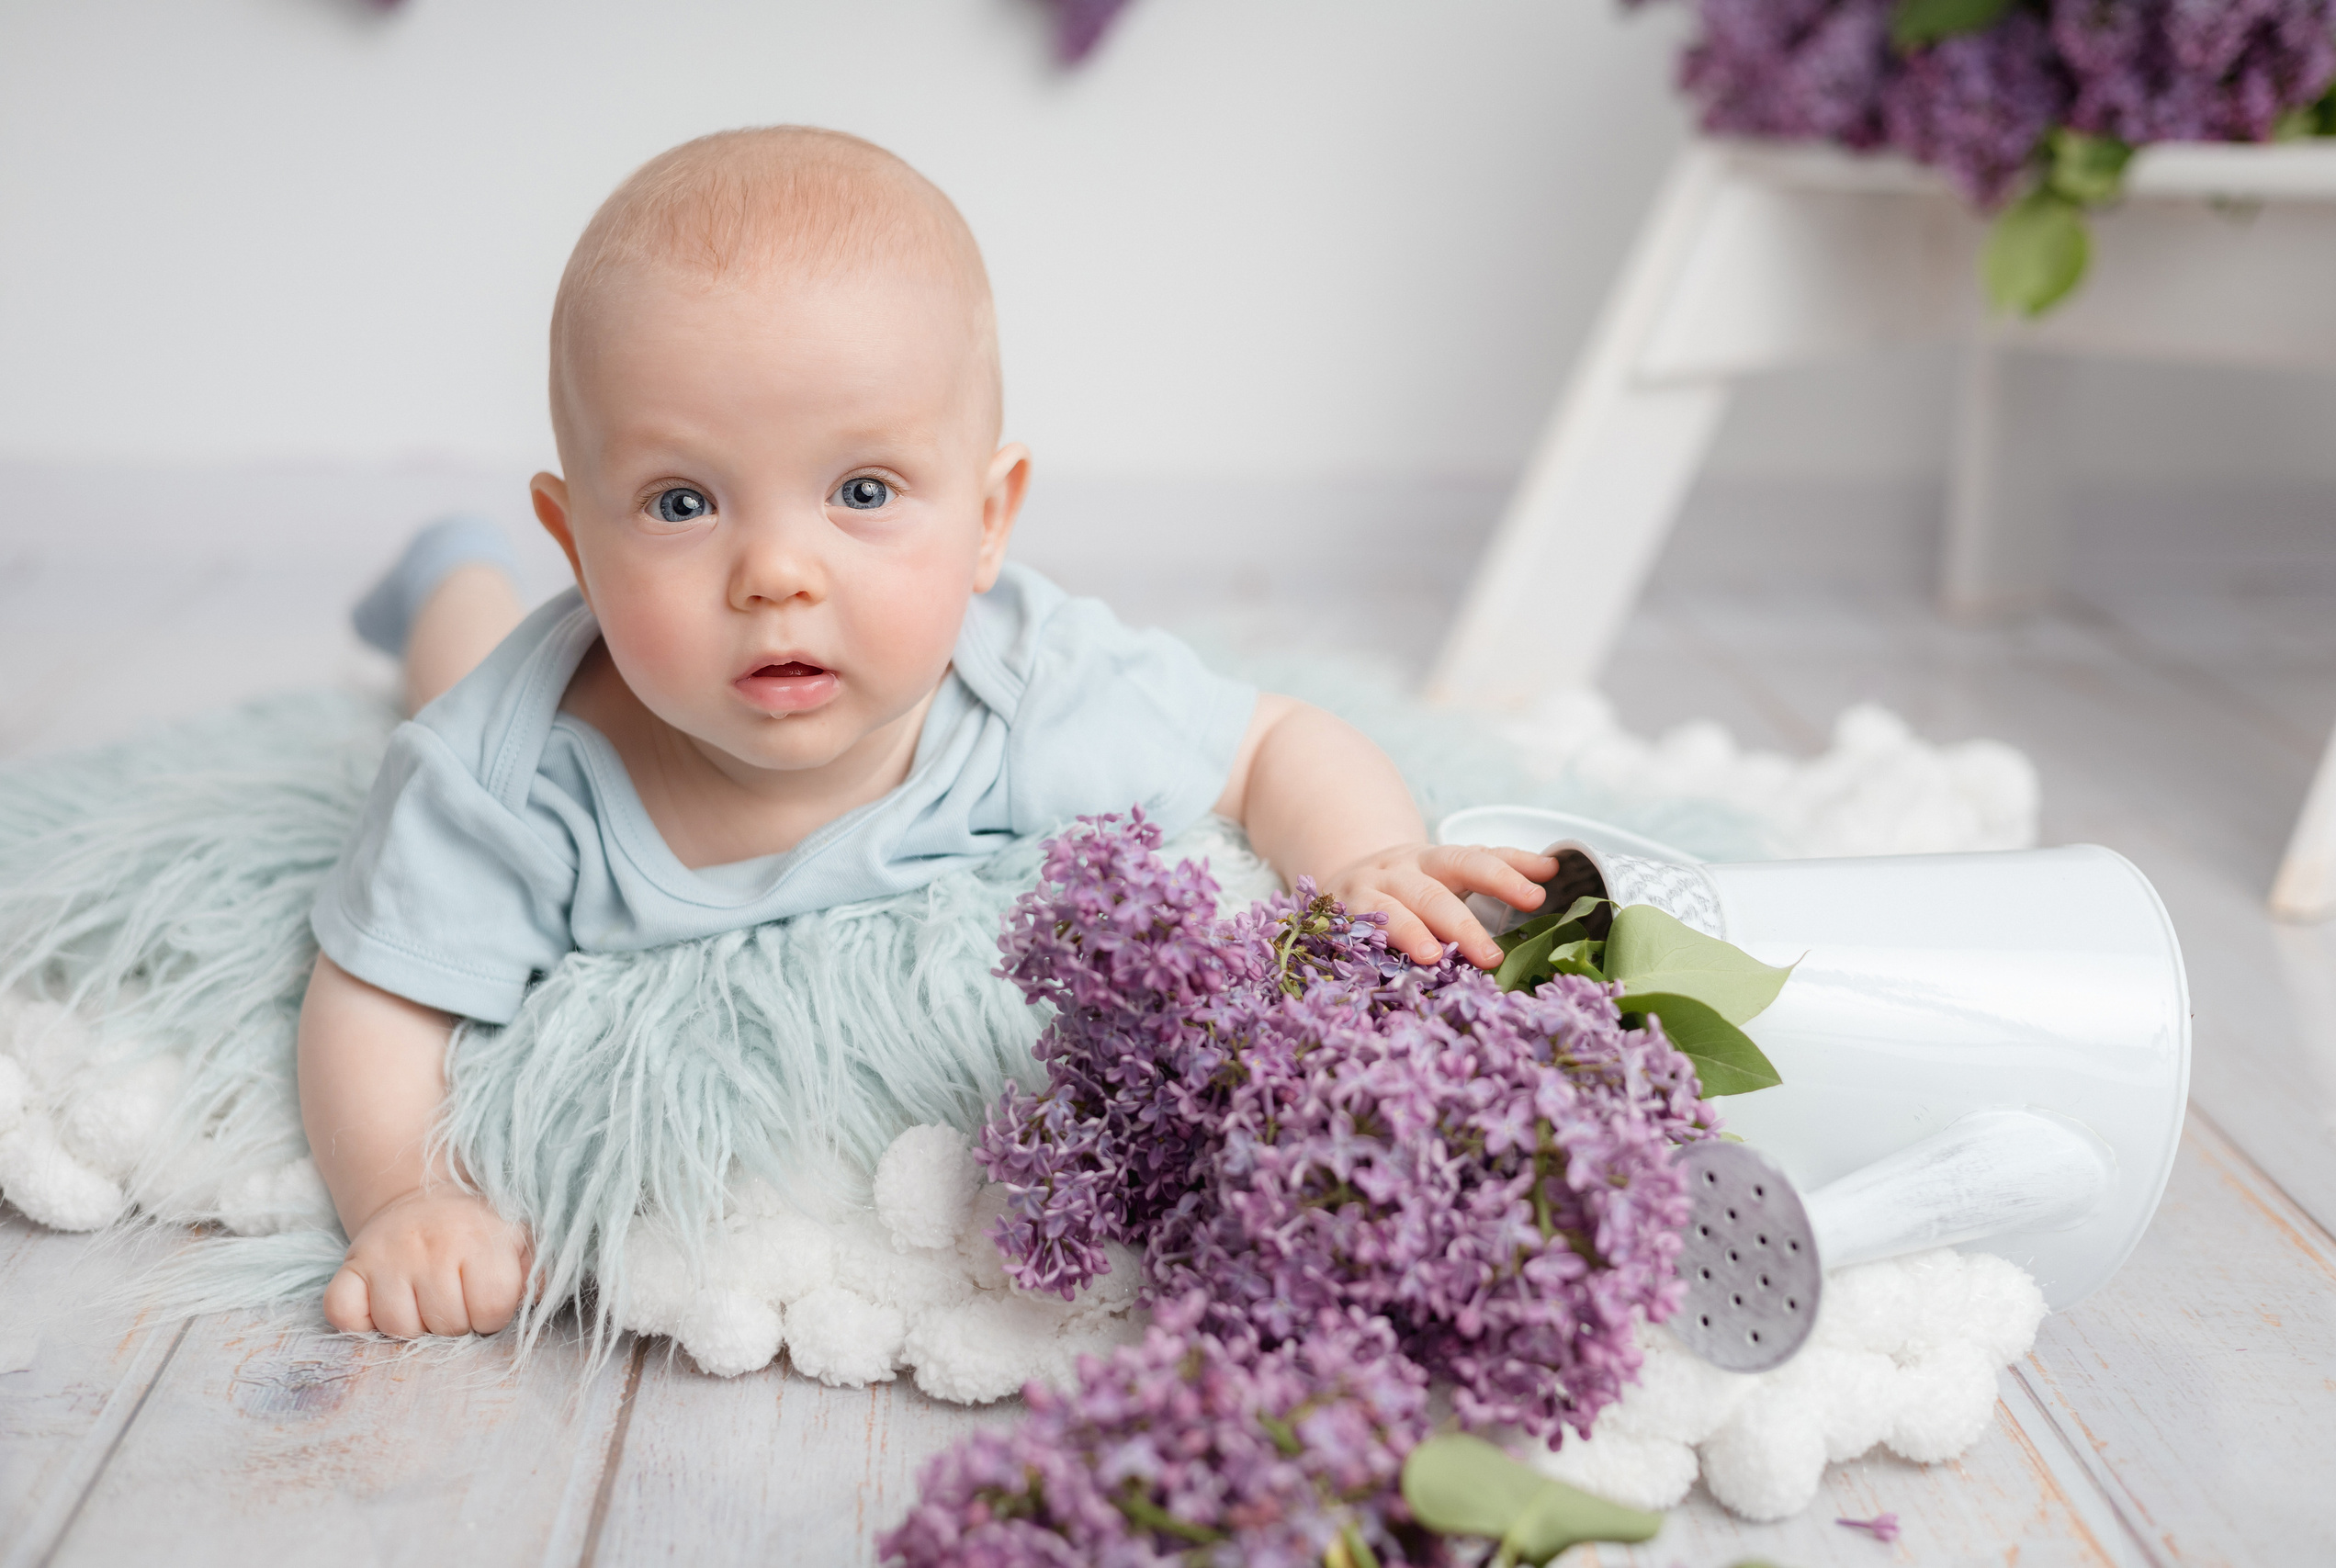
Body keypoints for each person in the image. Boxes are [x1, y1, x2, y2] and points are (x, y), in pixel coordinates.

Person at [300, 126, 1558, 1341]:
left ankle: (473, 571)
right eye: (682, 503)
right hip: (514, 682)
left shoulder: (1028, 688)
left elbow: (1276, 743)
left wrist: (1362, 862)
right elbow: (374, 995)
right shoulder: (508, 779)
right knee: (459, 663)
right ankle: (454, 576)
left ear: (990, 518)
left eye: (863, 492)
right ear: (578, 543)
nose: (778, 571)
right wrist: (409, 1199)